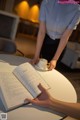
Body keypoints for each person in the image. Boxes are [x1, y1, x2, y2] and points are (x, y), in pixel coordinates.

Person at [31, 0, 80, 70]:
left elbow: (65, 37)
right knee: (39, 66)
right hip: (45, 41)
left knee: (52, 70)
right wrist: (36, 56)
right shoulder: (46, 2)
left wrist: (55, 59)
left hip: (59, 45)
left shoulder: (77, 10)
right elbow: (42, 31)